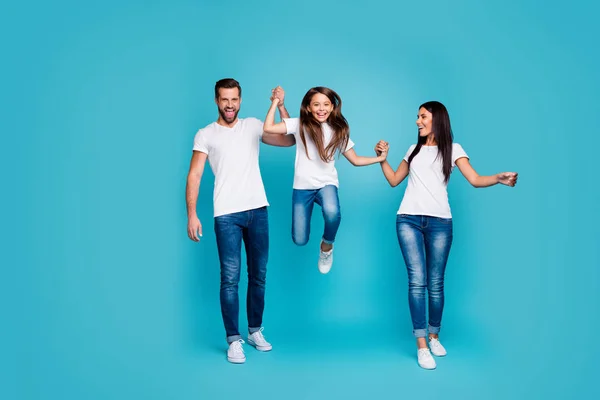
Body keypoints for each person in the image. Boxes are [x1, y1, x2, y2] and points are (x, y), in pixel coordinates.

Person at [375, 101, 518, 370]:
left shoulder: (453, 150)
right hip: (408, 219)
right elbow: (394, 180)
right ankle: (421, 345)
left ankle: (434, 335)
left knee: (436, 283)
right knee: (417, 281)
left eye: (423, 117)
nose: (417, 121)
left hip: (441, 222)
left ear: (437, 119)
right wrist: (382, 159)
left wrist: (498, 178)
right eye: (417, 117)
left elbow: (475, 179)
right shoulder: (412, 150)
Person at [185, 78, 294, 364]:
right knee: (230, 278)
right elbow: (195, 174)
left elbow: (290, 139)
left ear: (240, 100)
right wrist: (192, 214)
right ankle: (233, 340)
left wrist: (281, 106)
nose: (230, 105)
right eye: (224, 99)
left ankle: (255, 330)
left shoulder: (253, 126)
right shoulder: (205, 134)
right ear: (216, 101)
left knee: (259, 275)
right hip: (227, 214)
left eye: (234, 99)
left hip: (258, 210)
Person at [263, 86, 387, 274]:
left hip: (326, 184)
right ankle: (313, 241)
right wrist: (276, 102)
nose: (321, 109)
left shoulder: (337, 130)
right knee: (299, 239)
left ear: (332, 107)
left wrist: (379, 159)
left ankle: (326, 247)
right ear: (309, 107)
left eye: (326, 104)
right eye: (316, 105)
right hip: (302, 188)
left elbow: (355, 159)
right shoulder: (299, 124)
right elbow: (268, 128)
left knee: (332, 212)